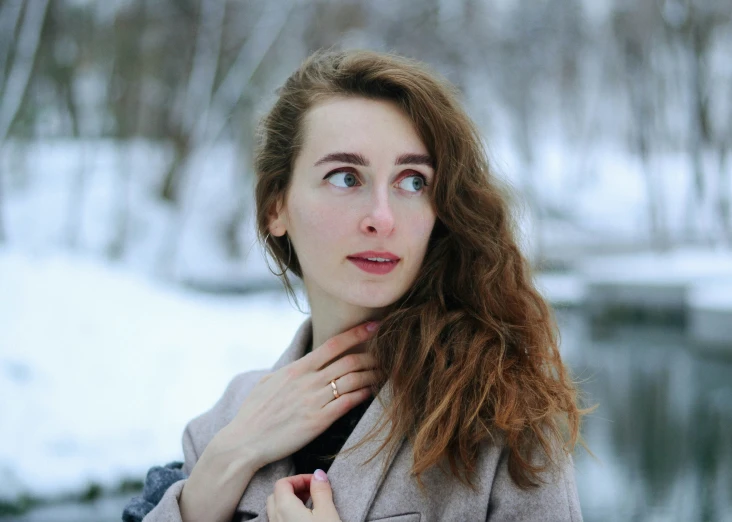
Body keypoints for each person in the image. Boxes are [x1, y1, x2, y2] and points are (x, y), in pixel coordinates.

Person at [123, 48, 587, 522]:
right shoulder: (226, 424)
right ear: (275, 207)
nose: (382, 219)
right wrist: (220, 470)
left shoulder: (501, 418)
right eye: (346, 177)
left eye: (412, 182)